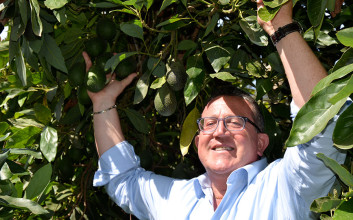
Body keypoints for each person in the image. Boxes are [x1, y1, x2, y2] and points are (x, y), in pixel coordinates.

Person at [83, 0, 349, 219]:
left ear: (261, 142)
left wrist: (280, 27)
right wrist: (103, 103)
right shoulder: (176, 202)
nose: (219, 131)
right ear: (198, 141)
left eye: (235, 122)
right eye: (208, 123)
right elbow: (122, 180)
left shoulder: (287, 187)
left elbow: (323, 119)